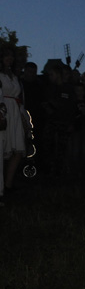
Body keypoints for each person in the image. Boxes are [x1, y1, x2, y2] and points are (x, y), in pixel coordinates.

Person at [0, 48, 29, 192]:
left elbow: (19, 99)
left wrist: (23, 117)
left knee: (17, 150)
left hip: (15, 113)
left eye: (11, 56)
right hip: (3, 111)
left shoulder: (15, 77)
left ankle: (8, 184)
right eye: (6, 56)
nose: (9, 59)